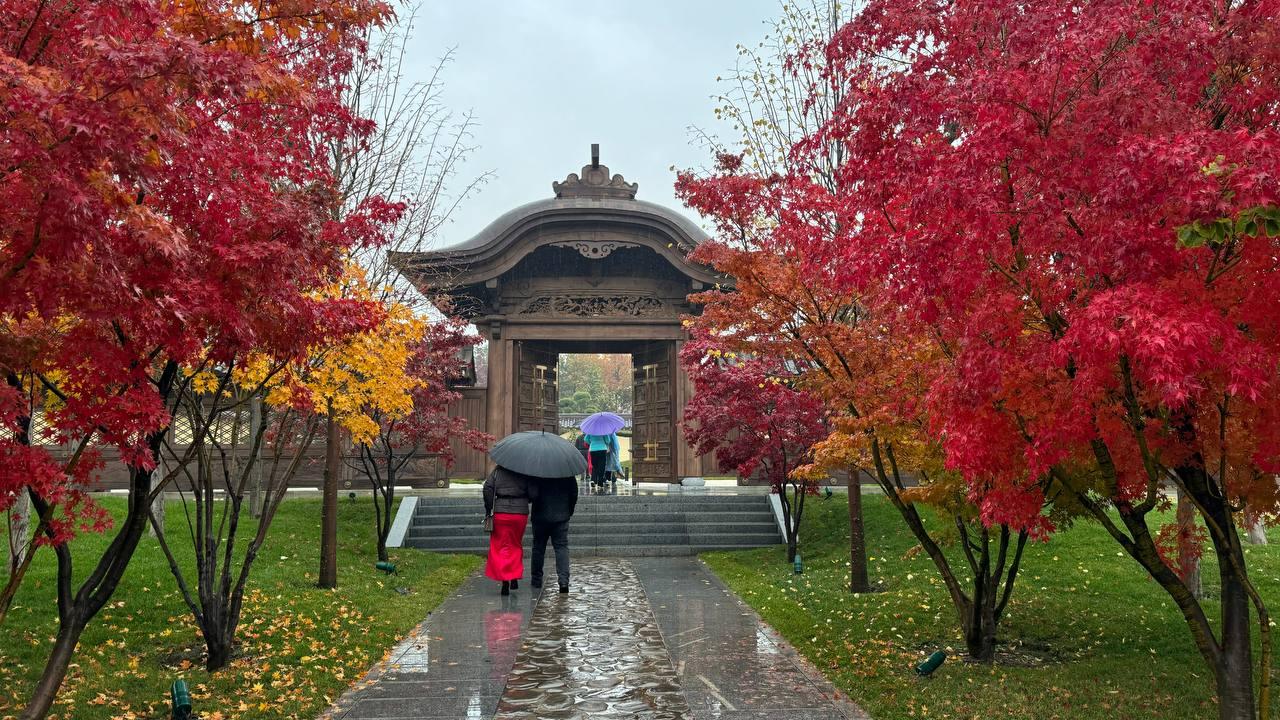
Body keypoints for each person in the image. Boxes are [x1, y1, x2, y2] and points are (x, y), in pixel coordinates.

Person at [482, 466, 533, 595]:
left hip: (501, 512)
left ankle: (505, 580)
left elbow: (487, 488)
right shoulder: (524, 470)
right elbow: (534, 493)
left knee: (500, 545)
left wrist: (489, 509)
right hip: (520, 513)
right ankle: (514, 575)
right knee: (515, 544)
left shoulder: (498, 471)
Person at [530, 474, 577, 593]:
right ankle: (564, 581)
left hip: (540, 516)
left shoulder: (538, 472)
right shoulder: (567, 472)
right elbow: (573, 493)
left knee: (538, 548)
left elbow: (532, 495)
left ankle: (536, 579)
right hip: (561, 516)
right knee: (561, 548)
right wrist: (569, 510)